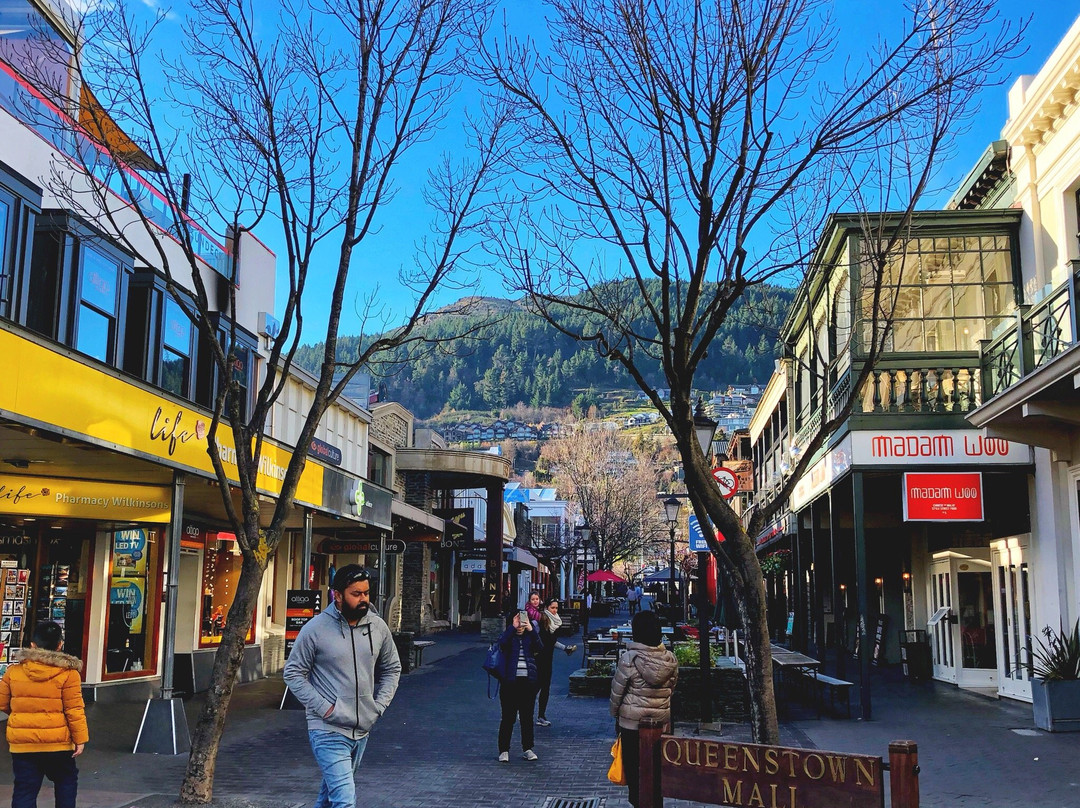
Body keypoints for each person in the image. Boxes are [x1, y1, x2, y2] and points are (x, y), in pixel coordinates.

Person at [284, 565, 401, 808]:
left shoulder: (377, 627)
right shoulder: (315, 629)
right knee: (344, 800)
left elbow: (392, 668)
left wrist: (378, 706)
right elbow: (293, 673)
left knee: (329, 798)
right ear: (337, 595)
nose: (363, 600)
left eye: (366, 593)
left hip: (362, 729)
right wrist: (325, 708)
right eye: (356, 594)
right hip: (327, 728)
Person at [0, 620, 88, 808]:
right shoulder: (69, 674)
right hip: (59, 743)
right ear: (60, 645)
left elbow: (2, 703)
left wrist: (21, 714)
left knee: (24, 789)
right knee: (66, 781)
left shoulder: (13, 672)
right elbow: (74, 710)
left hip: (23, 744)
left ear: (32, 644)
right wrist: (80, 739)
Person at [609, 610, 679, 808]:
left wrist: (615, 714)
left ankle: (638, 803)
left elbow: (617, 693)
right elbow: (671, 688)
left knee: (634, 771)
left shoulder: (629, 658)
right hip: (660, 723)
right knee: (656, 771)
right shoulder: (670, 659)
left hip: (631, 725)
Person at [494, 610, 543, 762]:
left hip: (527, 683)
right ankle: (504, 750)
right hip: (510, 682)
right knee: (508, 717)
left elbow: (540, 648)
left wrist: (531, 629)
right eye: (518, 621)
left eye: (523, 621)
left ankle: (528, 748)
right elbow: (501, 644)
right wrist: (512, 628)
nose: (520, 625)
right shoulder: (509, 637)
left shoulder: (530, 636)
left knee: (527, 717)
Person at [535, 598, 578, 727]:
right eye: (552, 608)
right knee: (536, 686)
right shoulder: (542, 620)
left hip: (548, 657)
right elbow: (547, 640)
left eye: (556, 608)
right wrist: (564, 648)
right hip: (539, 657)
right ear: (546, 608)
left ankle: (541, 715)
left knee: (545, 687)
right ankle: (524, 709)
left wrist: (565, 648)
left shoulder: (556, 621)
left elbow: (552, 641)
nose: (554, 610)